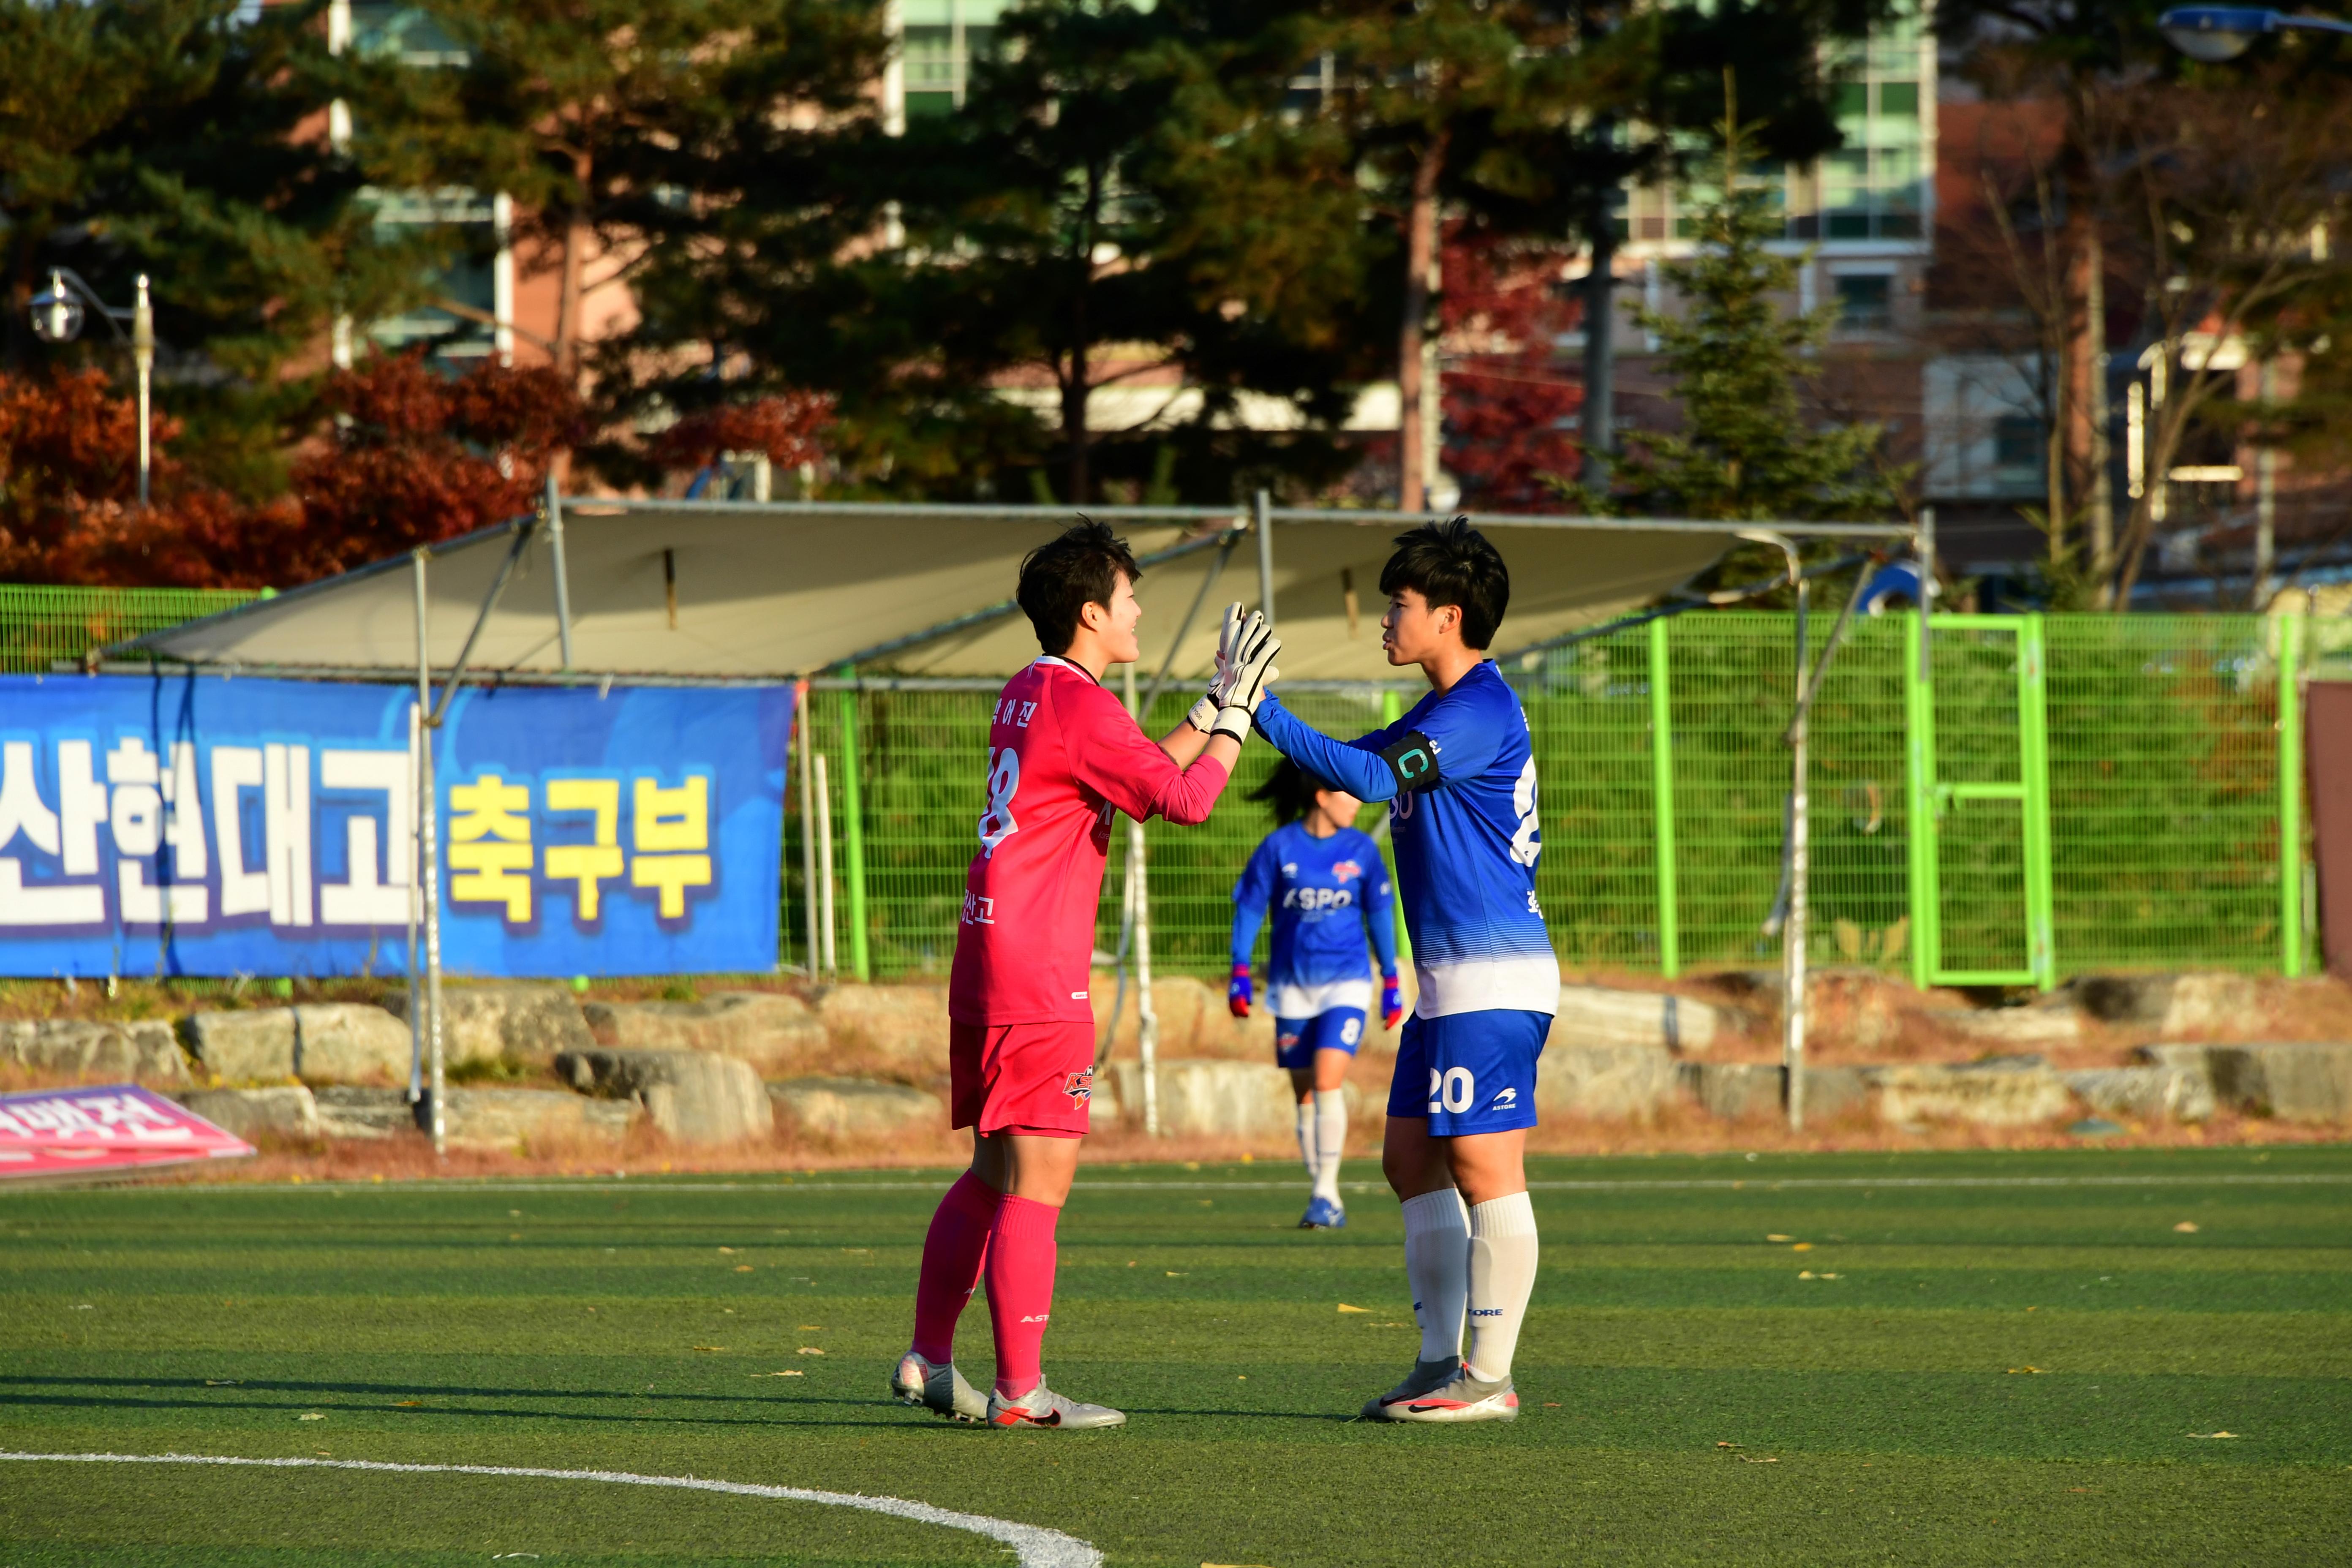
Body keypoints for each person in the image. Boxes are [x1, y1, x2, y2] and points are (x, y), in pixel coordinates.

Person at [891, 520, 1281, 1431]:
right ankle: (1022, 1393)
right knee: (1040, 1181)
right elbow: (1183, 800)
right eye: (1129, 596)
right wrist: (1241, 716)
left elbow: (1136, 770)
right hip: (1041, 972)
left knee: (991, 1169)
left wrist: (1214, 702)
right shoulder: (1083, 705)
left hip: (988, 958)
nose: (1140, 609)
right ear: (1093, 612)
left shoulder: (1032, 688)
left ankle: (930, 1354)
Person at [1244, 518, 1552, 1426]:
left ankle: (1488, 1377)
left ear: (1449, 616)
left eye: (1399, 603)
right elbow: (1351, 770)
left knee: (1482, 1162)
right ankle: (1436, 1362)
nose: (1386, 617)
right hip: (1452, 986)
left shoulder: (1477, 710)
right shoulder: (1435, 710)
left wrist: (1259, 704)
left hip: (1494, 980)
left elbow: (1370, 784)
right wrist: (1258, 716)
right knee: (1409, 1157)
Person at [1228, 759, 1401, 1231]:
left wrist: (1390, 979)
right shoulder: (1279, 848)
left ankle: (1327, 1194)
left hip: (1346, 983)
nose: (1356, 800)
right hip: (1291, 987)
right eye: (1347, 791)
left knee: (1328, 1080)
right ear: (1322, 796)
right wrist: (1239, 971)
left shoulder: (1361, 850)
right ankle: (1321, 1187)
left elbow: (1381, 913)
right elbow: (1248, 907)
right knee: (1305, 1093)